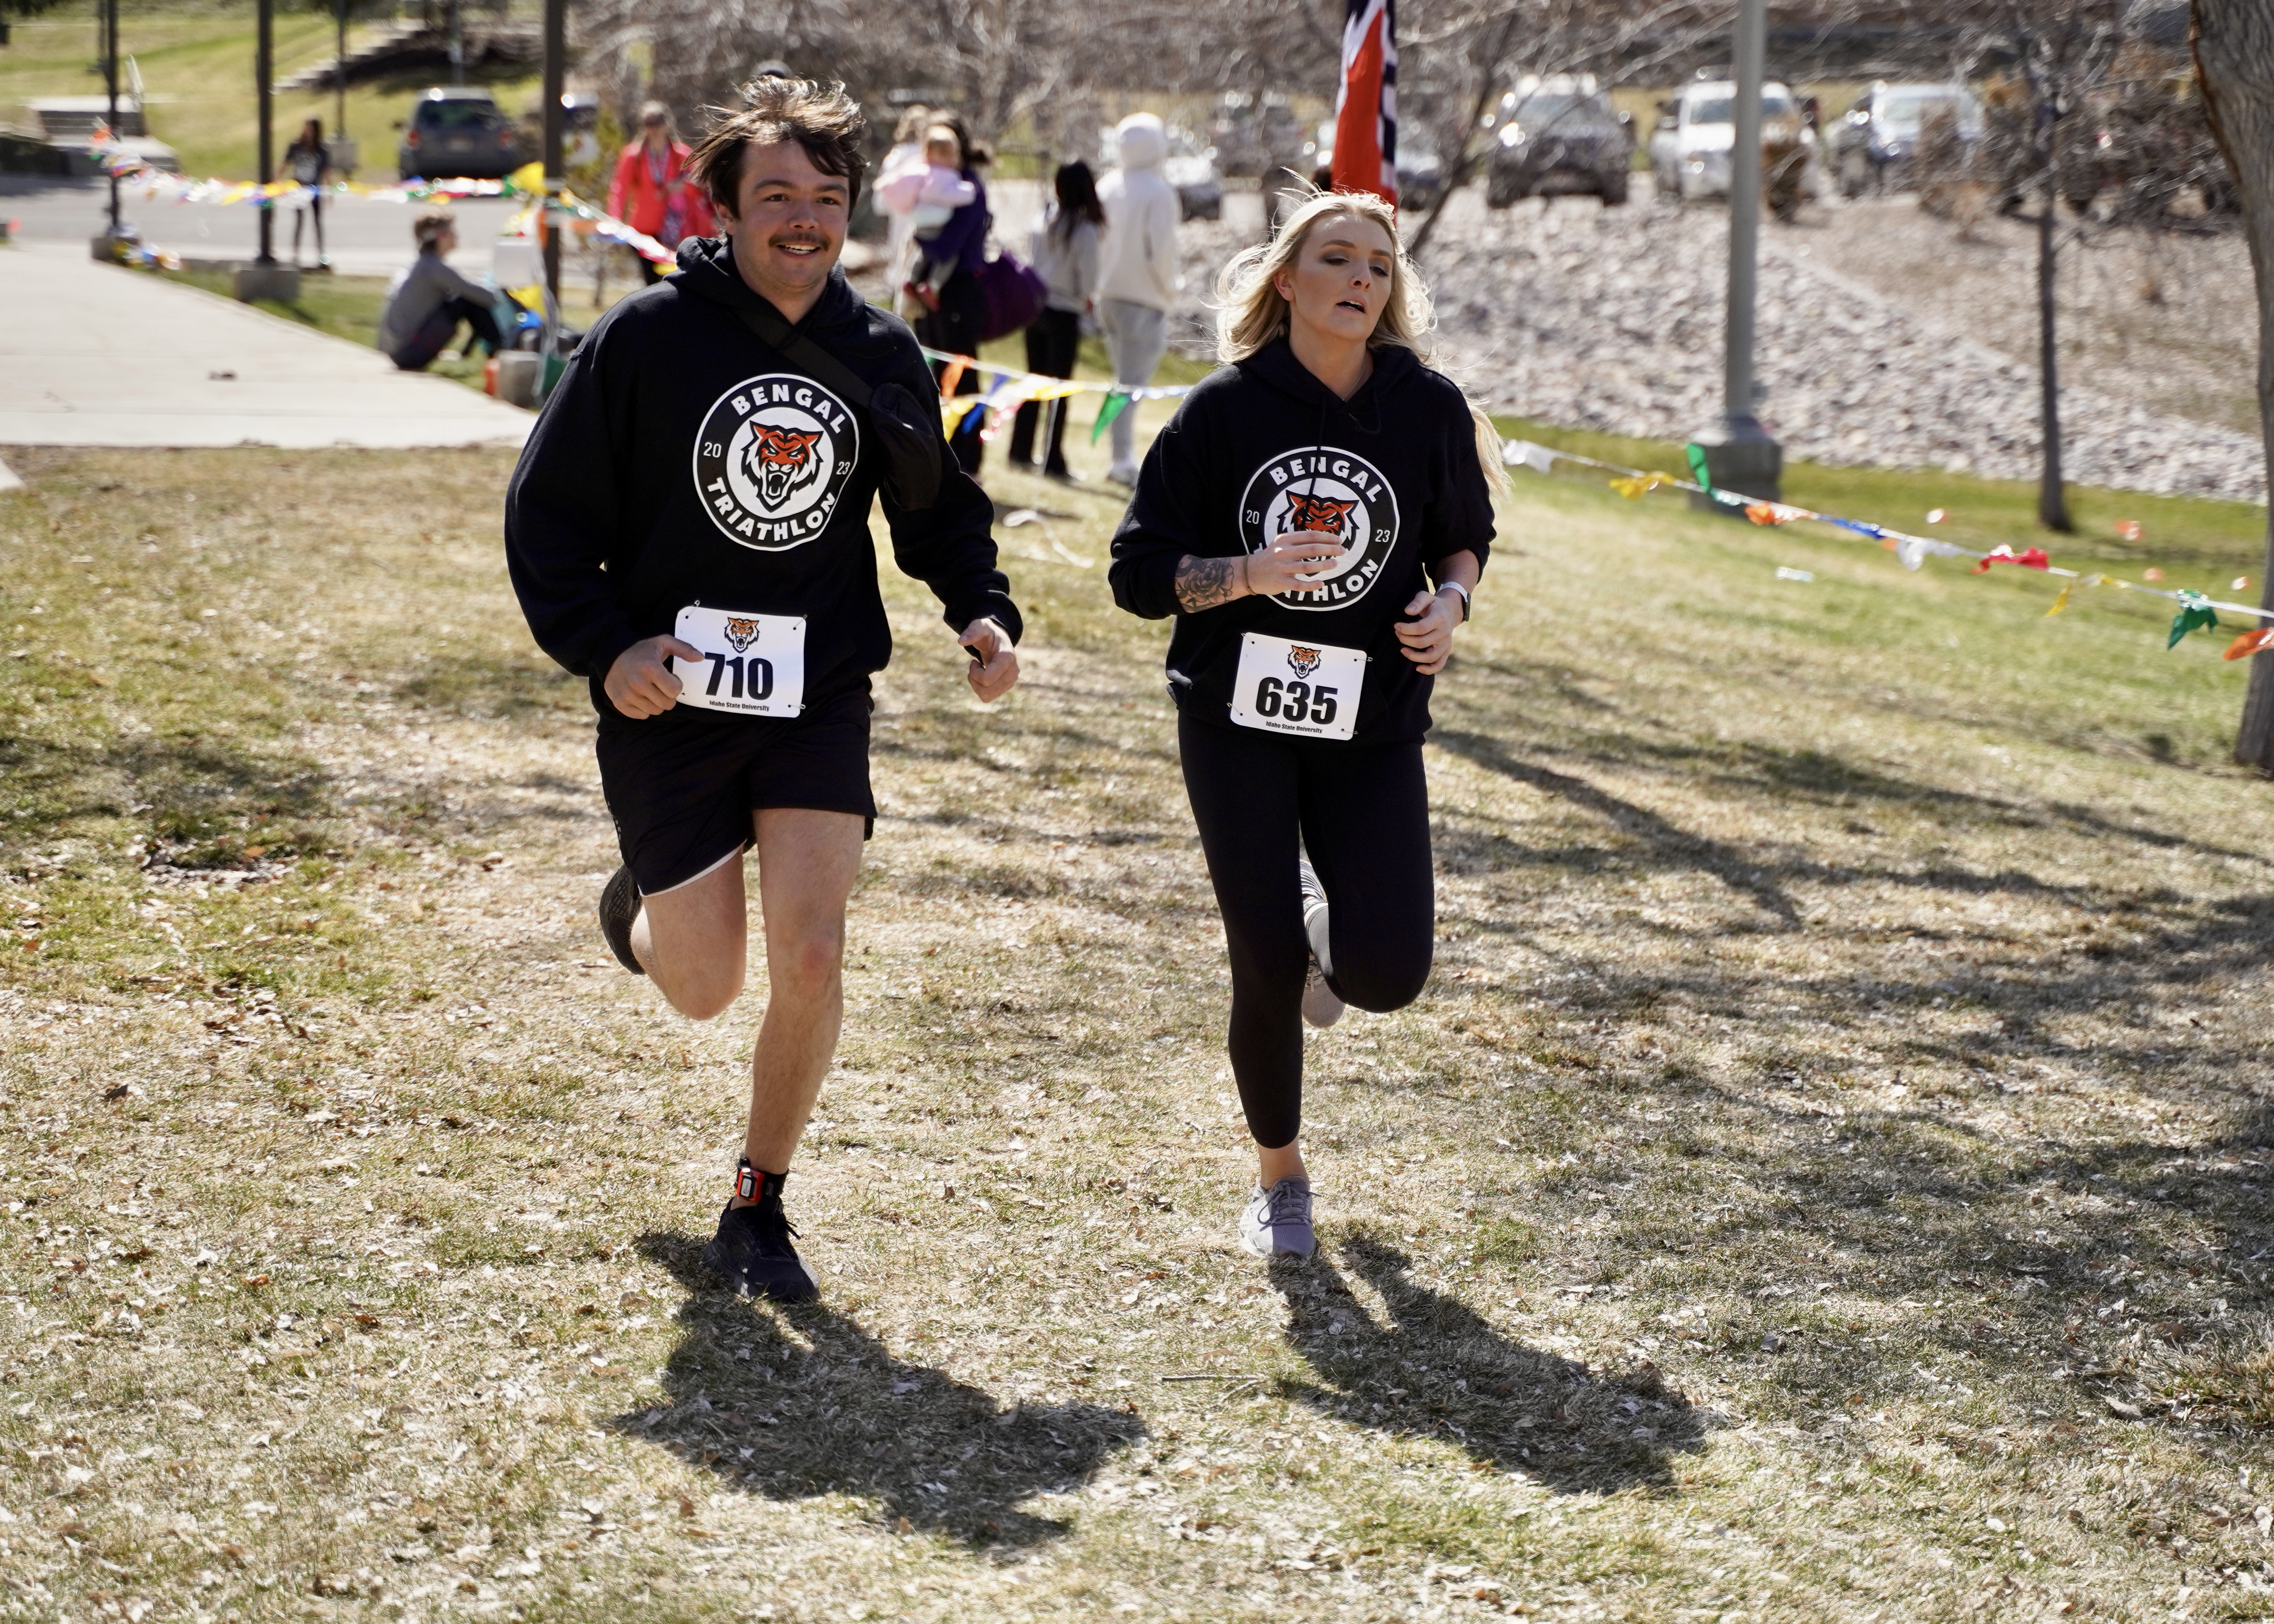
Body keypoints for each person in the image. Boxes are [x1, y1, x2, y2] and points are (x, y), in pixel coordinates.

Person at [503, 77, 1022, 1302]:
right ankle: (639, 912)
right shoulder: (646, 339)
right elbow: (546, 516)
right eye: (776, 194)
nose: (803, 218)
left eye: (825, 198)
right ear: (725, 209)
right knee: (704, 988)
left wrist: (983, 611)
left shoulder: (879, 353)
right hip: (670, 696)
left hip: (816, 691)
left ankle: (759, 1202)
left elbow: (937, 513)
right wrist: (608, 649)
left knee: (813, 950)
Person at [1106, 190, 1501, 1258]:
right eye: (1337, 258)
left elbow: (1464, 537)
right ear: (1286, 280)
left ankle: (1328, 936)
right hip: (1234, 719)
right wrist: (1245, 574)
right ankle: (1279, 1178)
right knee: (1264, 957)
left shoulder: (1425, 406)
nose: (1361, 277)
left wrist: (1450, 604)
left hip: (1371, 718)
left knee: (1388, 973)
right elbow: (1137, 574)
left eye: (1378, 263)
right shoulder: (1221, 411)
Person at [1094, 112, 1181, 488]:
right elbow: (1161, 251)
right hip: (1144, 298)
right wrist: (1169, 290)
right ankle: (1121, 459)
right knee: (1131, 385)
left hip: (1107, 295)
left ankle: (1119, 455)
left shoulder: (1106, 185)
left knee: (1122, 382)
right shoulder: (1158, 191)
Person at [1008, 159, 1103, 481]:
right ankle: (1052, 459)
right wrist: (1088, 299)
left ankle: (1020, 450)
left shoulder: (1043, 219)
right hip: (1064, 312)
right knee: (1058, 389)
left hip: (1035, 307)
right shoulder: (1085, 230)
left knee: (1032, 382)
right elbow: (1089, 280)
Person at [912, 115, 991, 477]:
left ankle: (968, 458)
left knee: (962, 374)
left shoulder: (968, 189)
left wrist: (919, 234)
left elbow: (947, 245)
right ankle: (942, 451)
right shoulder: (940, 186)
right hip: (937, 290)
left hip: (960, 289)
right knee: (937, 371)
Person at [375, 210, 507, 371]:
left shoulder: (422, 265)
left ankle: (497, 352)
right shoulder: (434, 269)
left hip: (401, 352)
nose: (457, 235)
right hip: (409, 355)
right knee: (464, 301)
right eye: (452, 230)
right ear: (441, 235)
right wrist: (503, 288)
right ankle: (503, 353)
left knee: (461, 299)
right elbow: (490, 298)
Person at [609, 102, 714, 285]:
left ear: (667, 124)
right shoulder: (634, 155)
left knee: (673, 282)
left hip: (675, 229)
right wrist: (614, 219)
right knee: (651, 283)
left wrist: (681, 187)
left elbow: (699, 188)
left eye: (658, 123)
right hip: (643, 230)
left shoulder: (681, 155)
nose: (654, 129)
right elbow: (620, 188)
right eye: (649, 124)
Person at [876, 124, 978, 309]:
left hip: (919, 224)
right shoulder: (943, 175)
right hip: (937, 224)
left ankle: (911, 279)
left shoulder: (920, 170)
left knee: (922, 253)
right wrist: (970, 191)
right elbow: (949, 195)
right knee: (947, 257)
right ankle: (933, 285)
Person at [877, 104, 934, 296]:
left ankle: (898, 301)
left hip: (900, 215)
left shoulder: (898, 155)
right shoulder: (930, 155)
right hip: (926, 215)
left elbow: (883, 195)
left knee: (900, 259)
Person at [283, 117, 331, 270]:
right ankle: (295, 254)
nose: (308, 131)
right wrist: (274, 181)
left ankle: (321, 255)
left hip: (314, 189)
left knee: (317, 222)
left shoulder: (322, 149)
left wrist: (329, 191)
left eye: (311, 128)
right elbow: (285, 163)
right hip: (299, 189)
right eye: (306, 128)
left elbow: (326, 172)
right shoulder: (296, 146)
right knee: (299, 221)